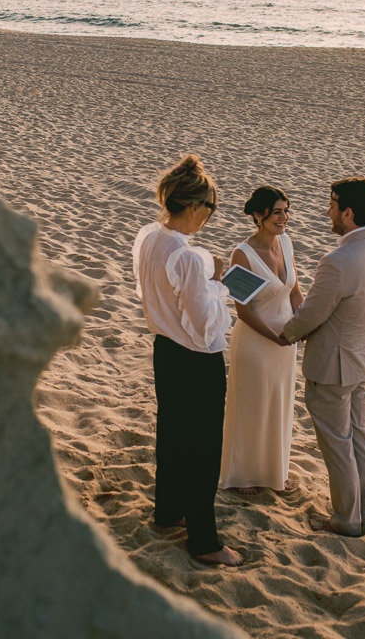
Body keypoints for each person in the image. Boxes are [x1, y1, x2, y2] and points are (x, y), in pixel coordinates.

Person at [132, 155, 243, 566]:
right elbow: (205, 328)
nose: (208, 220)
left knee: (173, 434)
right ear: (195, 207)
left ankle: (166, 514)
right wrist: (217, 287)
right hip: (197, 361)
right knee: (203, 449)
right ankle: (204, 541)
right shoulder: (190, 258)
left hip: (165, 352)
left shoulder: (149, 237)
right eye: (210, 211)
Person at [280, 177, 365, 537]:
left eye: (331, 205)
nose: (327, 211)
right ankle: (360, 514)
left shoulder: (338, 260)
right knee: (359, 436)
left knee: (338, 445)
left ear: (347, 213)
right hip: (363, 360)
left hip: (332, 367)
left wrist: (286, 334)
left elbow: (313, 313)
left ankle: (346, 519)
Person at [219, 186, 303, 495]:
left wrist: (304, 324)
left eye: (286, 210)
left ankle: (272, 473)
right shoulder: (243, 253)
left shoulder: (286, 243)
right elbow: (243, 309)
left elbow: (294, 291)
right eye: (278, 211)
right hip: (256, 343)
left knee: (278, 407)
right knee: (252, 407)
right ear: (259, 214)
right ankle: (243, 476)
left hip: (286, 343)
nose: (284, 218)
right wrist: (275, 337)